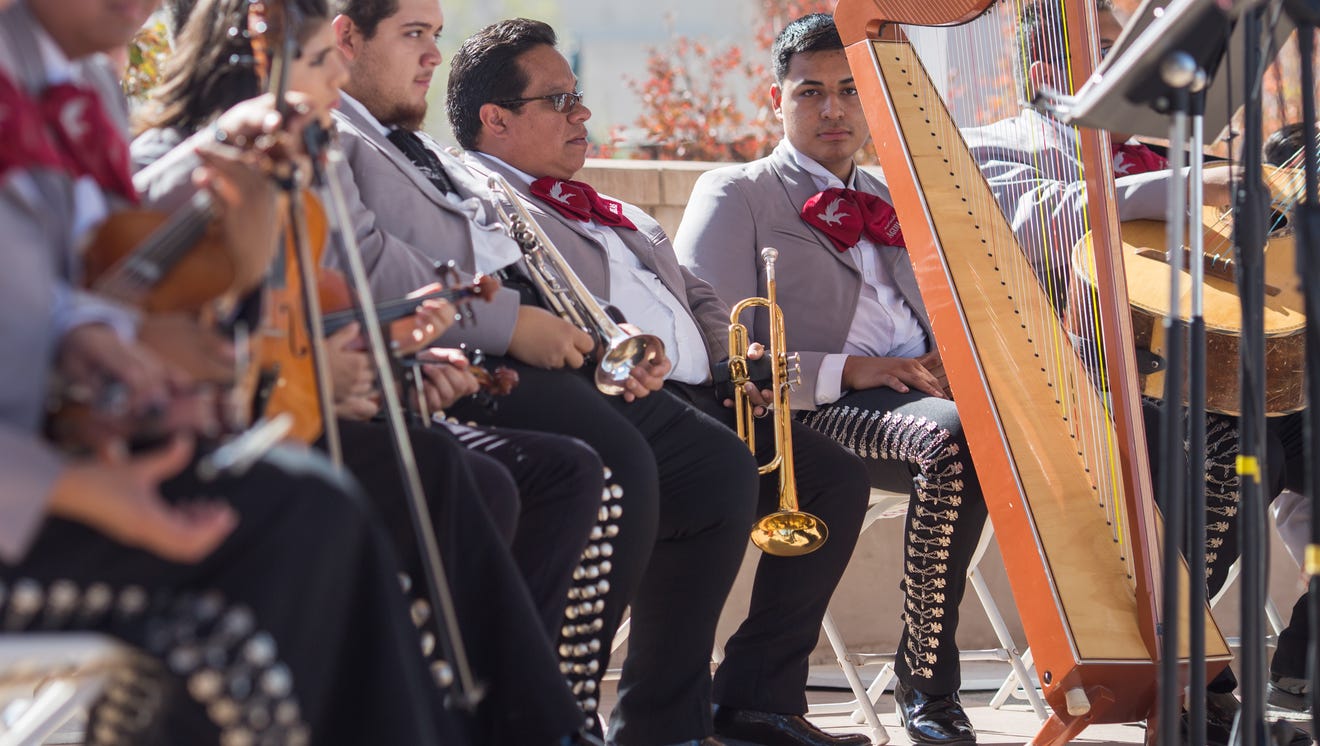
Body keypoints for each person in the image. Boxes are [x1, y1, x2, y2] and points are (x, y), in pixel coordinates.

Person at [128, 2, 607, 743]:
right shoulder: (175, 159)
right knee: (445, 472)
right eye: (321, 65)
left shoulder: (305, 160)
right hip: (225, 427)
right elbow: (169, 327)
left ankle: (499, 717)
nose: (334, 88)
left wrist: (393, 363)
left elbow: (315, 315)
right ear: (260, 65)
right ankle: (513, 724)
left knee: (547, 470)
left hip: (302, 408)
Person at [0, 0, 462, 743]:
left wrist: (108, 347)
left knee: (320, 503)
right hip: (23, 499)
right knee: (298, 523)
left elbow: (68, 289)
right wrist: (74, 485)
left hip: (62, 458)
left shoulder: (76, 82)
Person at [327, 2, 771, 743]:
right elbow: (370, 263)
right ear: (346, 39)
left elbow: (506, 250)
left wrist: (601, 334)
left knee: (719, 472)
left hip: (527, 331)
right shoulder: (337, 136)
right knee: (610, 465)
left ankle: (665, 726)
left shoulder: (408, 144)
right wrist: (515, 323)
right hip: (463, 349)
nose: (433, 54)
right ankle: (555, 715)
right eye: (414, 35)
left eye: (434, 35)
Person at [449, 18, 874, 746]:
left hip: (705, 397)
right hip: (618, 395)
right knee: (715, 472)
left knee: (831, 479)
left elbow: (697, 294)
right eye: (560, 101)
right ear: (496, 120)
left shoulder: (610, 209)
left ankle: (756, 700)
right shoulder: (481, 197)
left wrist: (736, 362)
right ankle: (657, 724)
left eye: (578, 96)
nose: (583, 112)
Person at [962, 3, 1310, 742]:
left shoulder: (1163, 154)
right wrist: (1189, 184)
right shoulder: (989, 146)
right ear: (1046, 71)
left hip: (1204, 375)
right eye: (1112, 52)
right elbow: (1041, 218)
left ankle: (1303, 643)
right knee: (1236, 450)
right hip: (1084, 384)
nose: (1140, 68)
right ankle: (1176, 671)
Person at [674, 13, 984, 746]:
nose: (834, 109)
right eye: (810, 92)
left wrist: (954, 357)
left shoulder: (899, 194)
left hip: (919, 394)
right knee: (953, 440)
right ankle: (928, 681)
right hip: (806, 407)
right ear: (775, 99)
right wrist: (854, 369)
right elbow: (715, 339)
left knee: (1021, 431)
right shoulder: (737, 191)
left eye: (850, 90)